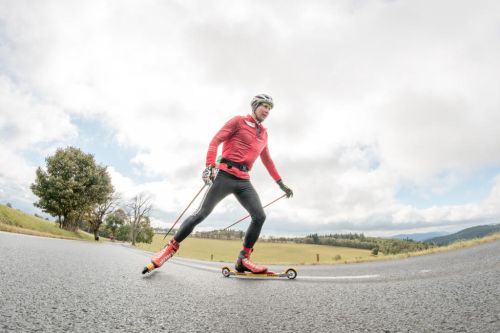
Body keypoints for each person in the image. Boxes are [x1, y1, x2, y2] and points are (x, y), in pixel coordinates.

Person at [150, 94, 293, 273]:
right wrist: (209, 166)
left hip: (243, 180)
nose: (267, 110)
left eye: (270, 108)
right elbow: (215, 141)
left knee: (259, 216)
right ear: (255, 106)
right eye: (264, 106)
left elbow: (268, 160)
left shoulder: (264, 133)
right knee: (201, 214)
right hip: (224, 175)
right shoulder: (238, 121)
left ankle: (243, 259)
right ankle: (169, 249)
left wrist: (281, 184)